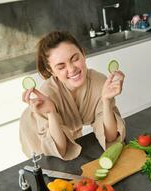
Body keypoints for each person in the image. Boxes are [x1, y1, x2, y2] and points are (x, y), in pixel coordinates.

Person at [19, 31, 126, 160]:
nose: (71, 69)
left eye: (75, 59)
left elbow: (110, 137)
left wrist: (106, 101)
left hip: (71, 129)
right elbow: (60, 149)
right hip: (36, 128)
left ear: (83, 53)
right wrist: (51, 112)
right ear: (51, 70)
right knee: (45, 167)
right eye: (61, 66)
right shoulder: (47, 94)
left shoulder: (99, 83)